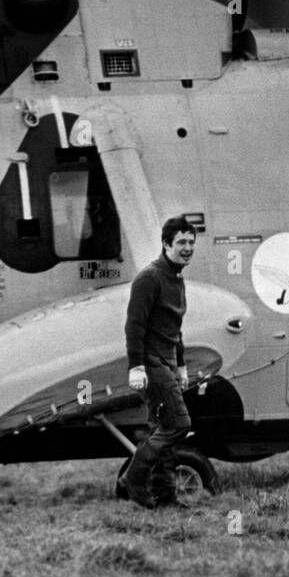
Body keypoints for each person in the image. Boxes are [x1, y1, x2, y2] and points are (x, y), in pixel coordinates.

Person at [120, 215, 196, 509]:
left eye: (191, 242)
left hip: (166, 363)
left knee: (162, 429)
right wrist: (136, 367)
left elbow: (174, 328)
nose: (187, 248)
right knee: (179, 424)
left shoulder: (176, 278)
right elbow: (134, 326)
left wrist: (181, 366)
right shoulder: (149, 278)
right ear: (166, 244)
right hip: (151, 364)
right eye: (181, 242)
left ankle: (166, 497)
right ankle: (134, 479)